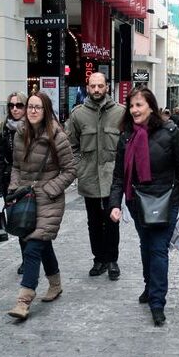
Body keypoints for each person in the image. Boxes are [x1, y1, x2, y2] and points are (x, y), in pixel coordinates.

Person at [108, 86, 179, 327]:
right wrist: (115, 204)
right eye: (131, 105)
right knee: (146, 245)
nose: (134, 109)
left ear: (151, 106)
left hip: (165, 199)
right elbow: (119, 175)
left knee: (158, 248)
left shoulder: (171, 132)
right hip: (137, 201)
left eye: (139, 104)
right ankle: (149, 286)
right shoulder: (126, 135)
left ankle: (157, 302)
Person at [6, 92, 76, 320]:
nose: (32, 111)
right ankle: (55, 284)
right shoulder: (20, 134)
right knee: (41, 243)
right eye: (30, 107)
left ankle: (23, 301)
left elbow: (70, 170)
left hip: (49, 199)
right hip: (25, 198)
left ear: (46, 111)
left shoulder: (57, 136)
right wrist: (15, 186)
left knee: (33, 246)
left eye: (37, 107)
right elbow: (15, 166)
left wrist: (50, 188)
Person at [66, 72, 125, 280]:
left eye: (101, 86)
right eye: (93, 86)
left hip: (113, 178)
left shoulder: (120, 113)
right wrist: (78, 167)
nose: (97, 90)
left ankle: (112, 260)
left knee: (112, 220)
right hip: (89, 176)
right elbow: (70, 146)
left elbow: (128, 146)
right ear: (88, 87)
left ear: (107, 87)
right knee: (93, 221)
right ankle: (98, 258)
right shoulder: (78, 114)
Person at [0, 92, 28, 274]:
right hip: (11, 182)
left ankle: (33, 259)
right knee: (19, 222)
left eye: (19, 105)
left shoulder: (33, 127)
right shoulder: (3, 129)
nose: (15, 109)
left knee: (33, 223)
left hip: (30, 181)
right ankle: (26, 259)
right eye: (11, 105)